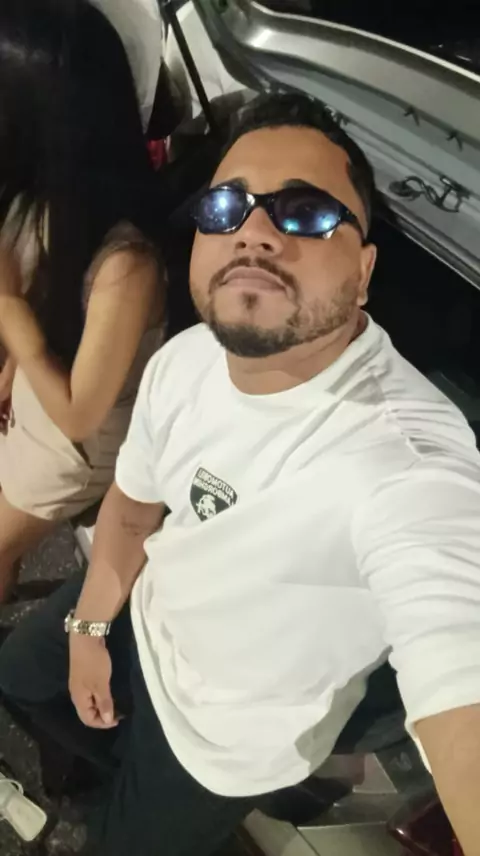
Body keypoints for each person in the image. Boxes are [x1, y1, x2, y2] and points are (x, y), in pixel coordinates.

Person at [0, 93, 480, 856]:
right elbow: (131, 508)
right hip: (140, 612)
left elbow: (459, 665)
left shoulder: (406, 460)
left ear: (364, 271)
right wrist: (89, 628)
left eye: (306, 212)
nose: (253, 231)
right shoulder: (185, 361)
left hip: (221, 743)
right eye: (226, 206)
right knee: (19, 675)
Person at [0, 0, 167, 602]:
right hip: (39, 391)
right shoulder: (43, 196)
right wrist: (10, 374)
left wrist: (9, 311)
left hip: (74, 442)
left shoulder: (126, 266)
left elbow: (79, 417)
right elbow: (45, 304)